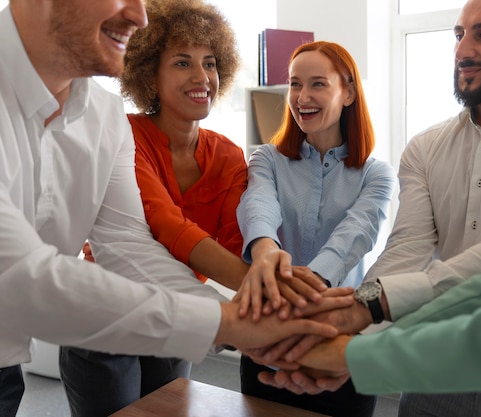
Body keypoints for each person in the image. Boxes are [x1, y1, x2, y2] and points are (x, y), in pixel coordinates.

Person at [0, 0, 351, 416]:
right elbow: (15, 269)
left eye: (209, 63)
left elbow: (130, 246)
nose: (139, 15)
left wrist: (256, 316)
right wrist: (236, 322)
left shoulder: (103, 116)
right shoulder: (130, 129)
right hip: (96, 322)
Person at [253, 0, 481, 414]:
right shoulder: (426, 148)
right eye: (458, 34)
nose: (462, 51)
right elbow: (405, 252)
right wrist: (348, 343)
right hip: (432, 371)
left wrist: (361, 314)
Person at [59, 1, 251, 416]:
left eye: (210, 63)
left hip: (175, 312)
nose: (202, 77)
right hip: (106, 316)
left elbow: (239, 247)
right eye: (183, 63)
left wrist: (268, 282)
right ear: (149, 73)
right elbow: (166, 225)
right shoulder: (125, 134)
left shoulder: (230, 157)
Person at [235, 40, 396, 417]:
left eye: (318, 84)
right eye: (294, 84)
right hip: (267, 342)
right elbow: (258, 204)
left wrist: (303, 290)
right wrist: (264, 250)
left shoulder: (376, 174)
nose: (302, 96)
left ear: (349, 93)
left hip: (339, 348)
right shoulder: (267, 159)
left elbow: (354, 237)